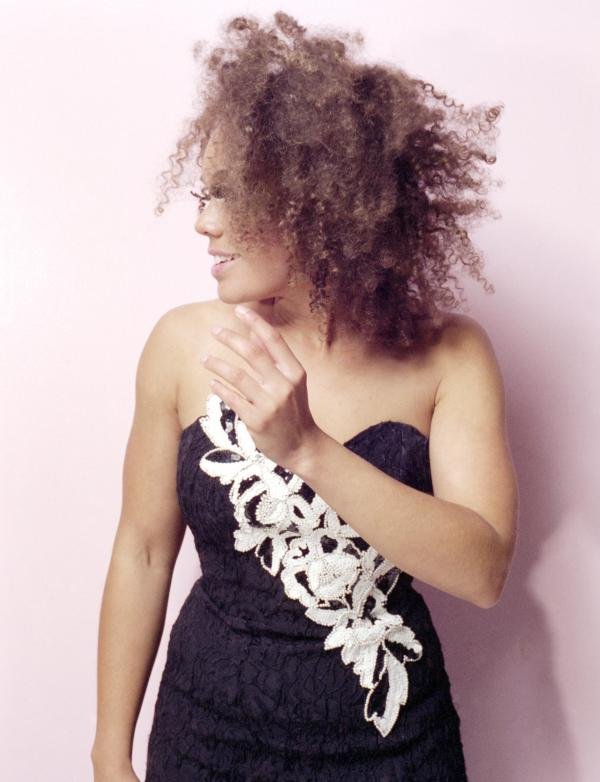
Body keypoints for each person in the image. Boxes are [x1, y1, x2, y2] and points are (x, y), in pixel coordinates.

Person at [91, 11, 518, 781]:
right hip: (205, 740)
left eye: (228, 195)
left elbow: (482, 572)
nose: (203, 222)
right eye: (203, 193)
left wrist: (307, 450)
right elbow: (144, 550)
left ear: (314, 202)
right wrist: (108, 752)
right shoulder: (182, 345)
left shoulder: (451, 356)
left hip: (390, 749)